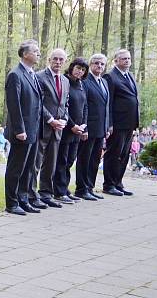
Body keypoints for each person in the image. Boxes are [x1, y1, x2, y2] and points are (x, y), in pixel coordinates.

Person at [3, 39, 44, 216]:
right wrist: (19, 130)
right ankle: (11, 203)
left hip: (33, 130)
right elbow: (14, 105)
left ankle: (23, 199)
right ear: (25, 54)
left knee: (28, 168)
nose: (38, 54)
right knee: (16, 168)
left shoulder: (32, 74)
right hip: (22, 132)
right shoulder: (15, 74)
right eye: (35, 51)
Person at [28, 48, 69, 209]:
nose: (58, 62)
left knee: (50, 163)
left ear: (65, 61)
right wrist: (51, 120)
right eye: (55, 59)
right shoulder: (39, 77)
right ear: (49, 60)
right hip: (42, 127)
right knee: (35, 163)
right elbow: (39, 103)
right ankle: (31, 195)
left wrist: (64, 120)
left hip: (58, 128)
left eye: (61, 59)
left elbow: (66, 103)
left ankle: (46, 193)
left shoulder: (65, 80)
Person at [102, 49, 140, 196]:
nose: (127, 61)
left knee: (124, 155)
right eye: (123, 58)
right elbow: (108, 103)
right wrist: (109, 123)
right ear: (116, 61)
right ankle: (109, 184)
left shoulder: (130, 75)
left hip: (130, 123)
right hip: (117, 123)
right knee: (113, 154)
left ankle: (118, 183)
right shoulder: (110, 77)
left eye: (129, 58)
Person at [53, 58, 89, 203]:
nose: (79, 71)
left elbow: (85, 107)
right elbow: (64, 107)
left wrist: (83, 126)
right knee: (61, 161)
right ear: (72, 67)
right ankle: (59, 192)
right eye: (77, 67)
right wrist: (73, 125)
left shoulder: (81, 85)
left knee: (69, 161)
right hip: (67, 129)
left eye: (82, 69)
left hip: (78, 130)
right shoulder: (65, 82)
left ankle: (65, 189)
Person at [75, 53, 110, 201]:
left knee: (95, 159)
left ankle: (89, 187)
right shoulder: (85, 81)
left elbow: (107, 106)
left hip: (101, 129)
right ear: (91, 65)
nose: (99, 66)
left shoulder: (104, 82)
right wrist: (85, 128)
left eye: (102, 64)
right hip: (89, 128)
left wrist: (107, 126)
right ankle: (81, 188)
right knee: (84, 159)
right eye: (96, 63)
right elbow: (84, 106)